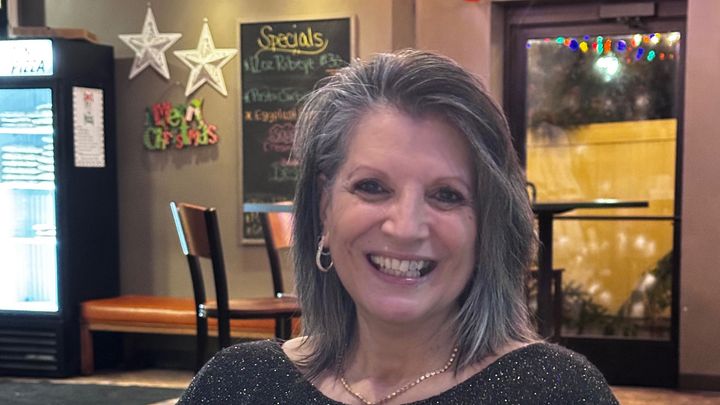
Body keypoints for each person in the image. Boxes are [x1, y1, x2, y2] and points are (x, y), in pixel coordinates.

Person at [179, 49, 618, 404]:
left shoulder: (557, 392)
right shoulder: (236, 383)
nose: (406, 227)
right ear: (324, 207)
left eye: (447, 195)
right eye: (372, 187)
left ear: (487, 227)